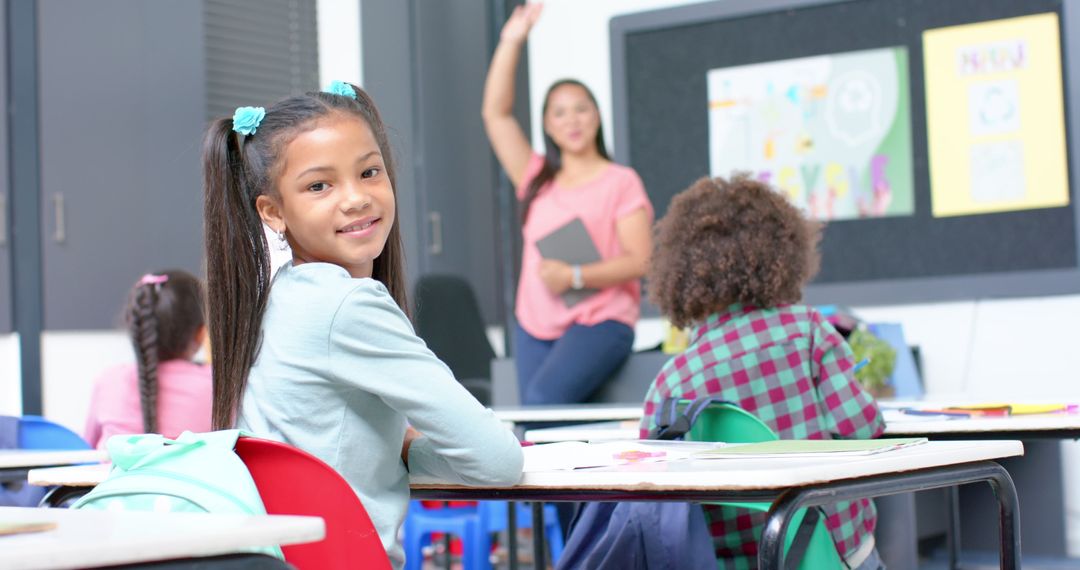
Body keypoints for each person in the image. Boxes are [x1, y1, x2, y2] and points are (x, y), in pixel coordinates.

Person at [201, 81, 523, 568]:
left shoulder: (278, 296)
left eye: (369, 172)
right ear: (273, 212)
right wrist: (409, 448)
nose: (355, 198)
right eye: (319, 185)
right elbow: (498, 461)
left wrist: (402, 446)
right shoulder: (348, 305)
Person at [639, 175, 887, 570]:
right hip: (836, 557)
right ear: (781, 253)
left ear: (678, 275)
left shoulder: (670, 383)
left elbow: (661, 501)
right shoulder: (808, 332)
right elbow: (863, 430)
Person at [483, 3, 654, 405]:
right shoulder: (536, 177)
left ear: (597, 116)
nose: (572, 120)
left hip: (602, 320)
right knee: (536, 425)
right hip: (535, 322)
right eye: (560, 113)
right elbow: (495, 114)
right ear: (547, 125)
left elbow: (640, 261)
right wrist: (512, 39)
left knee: (544, 399)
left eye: (581, 108)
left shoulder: (620, 181)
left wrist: (575, 276)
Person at [84, 270, 212, 449]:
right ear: (200, 334)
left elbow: (88, 449)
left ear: (137, 325)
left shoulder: (109, 381)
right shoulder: (215, 386)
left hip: (116, 478)